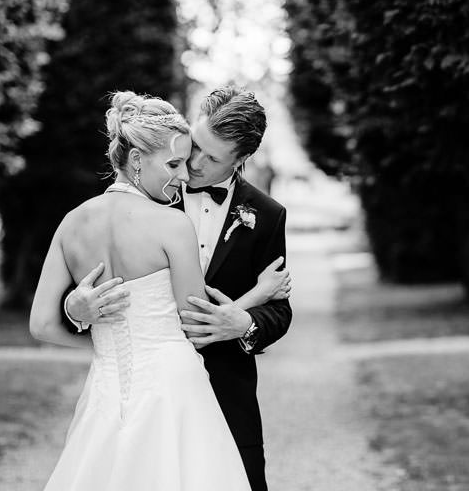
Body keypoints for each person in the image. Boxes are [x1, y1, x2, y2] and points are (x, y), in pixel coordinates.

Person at [28, 91, 290, 490]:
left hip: (204, 390)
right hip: (174, 387)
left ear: (240, 160)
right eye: (189, 152)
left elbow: (280, 312)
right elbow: (187, 322)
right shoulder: (167, 210)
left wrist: (244, 321)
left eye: (211, 159)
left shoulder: (267, 215)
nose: (190, 169)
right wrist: (76, 309)